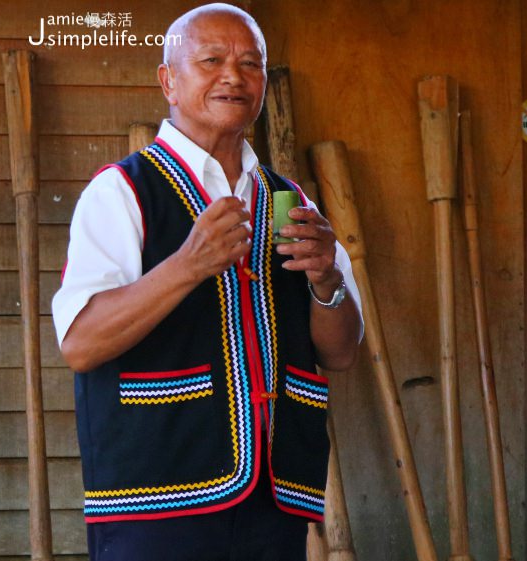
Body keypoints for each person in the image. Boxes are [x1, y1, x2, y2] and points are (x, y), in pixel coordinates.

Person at [52, 4, 364, 560]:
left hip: (275, 496)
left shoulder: (289, 201)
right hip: (155, 498)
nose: (233, 76)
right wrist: (186, 265)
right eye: (211, 60)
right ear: (168, 80)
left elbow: (340, 353)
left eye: (250, 64)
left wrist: (325, 280)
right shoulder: (122, 192)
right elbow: (81, 344)